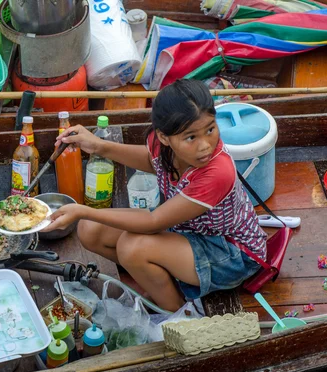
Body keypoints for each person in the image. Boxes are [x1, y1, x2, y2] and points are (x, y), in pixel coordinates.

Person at [42, 79, 267, 311]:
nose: (205, 146)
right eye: (191, 137)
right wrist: (98, 145)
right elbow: (153, 162)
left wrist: (81, 210)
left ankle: (178, 313)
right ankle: (158, 279)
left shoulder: (217, 171)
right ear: (163, 137)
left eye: (210, 130)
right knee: (90, 228)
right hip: (184, 230)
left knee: (132, 247)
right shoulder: (159, 142)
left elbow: (153, 222)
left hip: (230, 252)